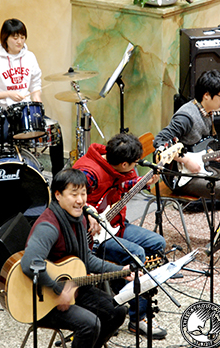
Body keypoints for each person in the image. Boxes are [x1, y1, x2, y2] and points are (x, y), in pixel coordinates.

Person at [72, 133, 168, 340]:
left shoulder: (118, 165)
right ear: (123, 163)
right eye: (133, 164)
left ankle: (120, 286)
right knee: (136, 254)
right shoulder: (88, 172)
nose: (135, 168)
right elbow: (65, 196)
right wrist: (87, 211)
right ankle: (138, 316)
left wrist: (147, 182)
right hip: (91, 236)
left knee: (157, 243)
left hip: (115, 225)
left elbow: (126, 186)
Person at [20, 169, 130, 348]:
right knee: (90, 323)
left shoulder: (79, 219)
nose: (80, 200)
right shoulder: (48, 226)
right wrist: (58, 290)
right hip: (43, 297)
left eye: (83, 193)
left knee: (117, 311)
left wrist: (120, 270)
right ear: (58, 195)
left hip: (73, 288)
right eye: (74, 194)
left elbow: (86, 259)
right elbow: (30, 263)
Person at [153, 69, 220, 258]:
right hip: (180, 177)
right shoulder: (186, 116)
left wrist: (218, 156)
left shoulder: (207, 111)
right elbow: (159, 142)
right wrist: (185, 159)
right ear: (207, 95)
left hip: (200, 169)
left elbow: (197, 147)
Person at [0, 18, 64, 176]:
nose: (20, 41)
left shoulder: (30, 57)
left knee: (55, 130)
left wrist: (37, 98)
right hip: (3, 116)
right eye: (15, 37)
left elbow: (35, 83)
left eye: (22, 37)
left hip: (26, 111)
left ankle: (59, 180)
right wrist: (8, 94)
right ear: (6, 38)